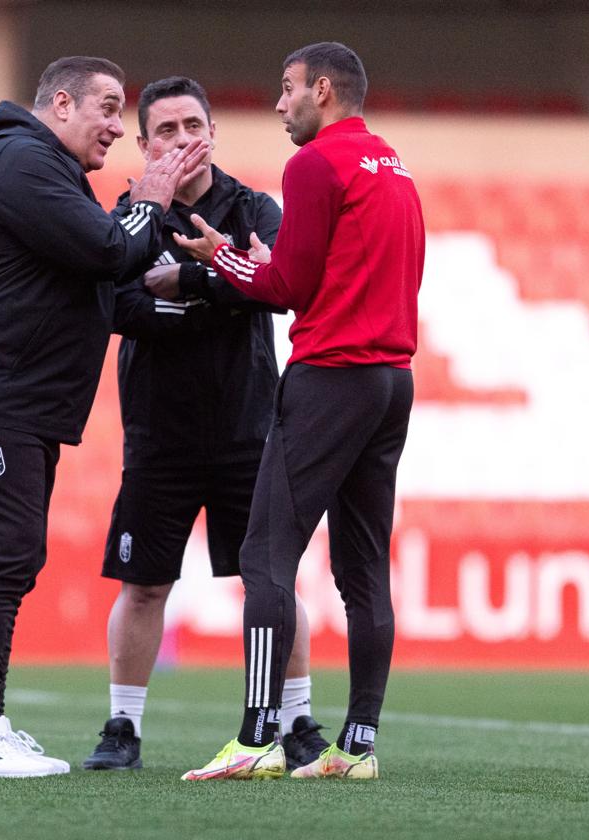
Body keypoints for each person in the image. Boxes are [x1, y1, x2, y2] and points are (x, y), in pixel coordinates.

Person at [0, 56, 208, 778]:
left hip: (12, 402)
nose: (114, 126)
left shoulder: (45, 172)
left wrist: (196, 297)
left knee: (11, 559)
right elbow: (108, 250)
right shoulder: (19, 161)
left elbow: (99, 290)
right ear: (60, 104)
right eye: (106, 108)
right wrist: (149, 199)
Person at [174, 43, 425, 781]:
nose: (280, 104)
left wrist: (220, 256)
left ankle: (256, 739)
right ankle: (358, 748)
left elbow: (286, 285)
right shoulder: (395, 164)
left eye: (286, 89)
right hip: (390, 380)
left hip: (332, 378)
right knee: (362, 570)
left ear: (322, 89)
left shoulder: (314, 164)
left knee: (266, 556)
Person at [78, 77, 328, 773]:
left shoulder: (253, 207)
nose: (183, 139)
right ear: (144, 143)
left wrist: (189, 285)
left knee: (270, 580)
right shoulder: (131, 214)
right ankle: (122, 728)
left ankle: (297, 720)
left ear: (213, 131)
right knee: (145, 583)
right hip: (158, 431)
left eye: (194, 125)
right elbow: (118, 307)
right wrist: (221, 297)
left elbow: (273, 286)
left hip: (249, 427)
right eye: (167, 130)